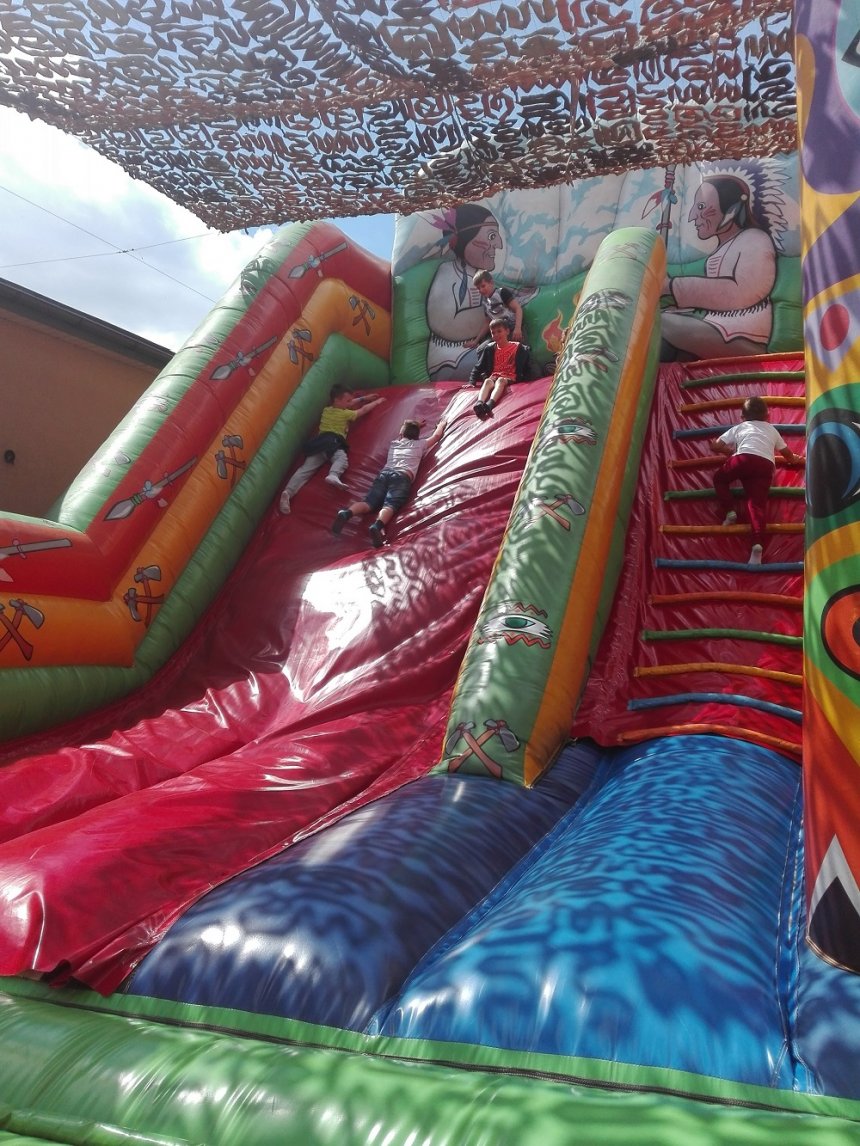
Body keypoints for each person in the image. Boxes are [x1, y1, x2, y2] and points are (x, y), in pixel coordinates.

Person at [661, 175, 777, 361]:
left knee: (661, 323)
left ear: (731, 211)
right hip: (721, 330)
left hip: (743, 337)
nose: (692, 216)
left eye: (701, 207)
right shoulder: (723, 249)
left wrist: (672, 286)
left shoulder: (755, 239)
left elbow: (741, 293)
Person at [711, 395, 803, 565]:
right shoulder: (772, 430)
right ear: (768, 416)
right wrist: (794, 459)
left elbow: (716, 445)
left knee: (719, 479)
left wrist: (728, 453)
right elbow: (787, 454)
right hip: (765, 466)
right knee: (756, 505)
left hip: (742, 459)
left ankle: (730, 511)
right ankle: (757, 545)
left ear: (742, 417)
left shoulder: (740, 427)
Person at [332, 415, 447, 548]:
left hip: (384, 474)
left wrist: (415, 425)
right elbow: (436, 437)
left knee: (369, 502)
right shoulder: (420, 444)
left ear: (401, 434)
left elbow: (404, 432)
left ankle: (347, 513)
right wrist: (440, 426)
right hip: (402, 477)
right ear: (417, 436)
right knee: (390, 504)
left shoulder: (395, 443)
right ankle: (377, 526)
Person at [279, 385, 385, 514]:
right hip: (332, 442)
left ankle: (288, 492)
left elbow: (349, 403)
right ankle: (333, 474)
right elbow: (363, 410)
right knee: (341, 459)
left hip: (318, 443)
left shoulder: (327, 410)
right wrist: (377, 402)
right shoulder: (345, 414)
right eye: (347, 401)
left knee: (305, 470)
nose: (350, 403)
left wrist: (364, 398)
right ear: (337, 400)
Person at [469, 318, 533, 419]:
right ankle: (479, 403)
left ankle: (490, 403)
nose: (496, 335)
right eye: (493, 333)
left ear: (507, 331)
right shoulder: (490, 348)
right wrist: (471, 381)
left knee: (500, 381)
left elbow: (527, 366)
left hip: (510, 376)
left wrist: (527, 380)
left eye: (499, 331)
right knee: (487, 381)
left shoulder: (518, 348)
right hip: (495, 375)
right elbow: (479, 366)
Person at [469, 270, 524, 345]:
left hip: (512, 329)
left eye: (483, 286)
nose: (481, 290)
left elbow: (518, 309)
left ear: (491, 283)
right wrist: (476, 340)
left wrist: (517, 328)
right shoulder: (485, 302)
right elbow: (487, 322)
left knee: (518, 349)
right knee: (482, 348)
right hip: (498, 334)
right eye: (478, 288)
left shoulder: (502, 292)